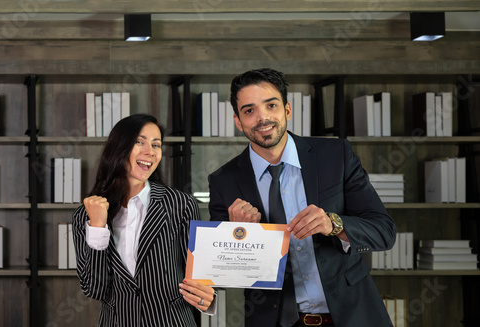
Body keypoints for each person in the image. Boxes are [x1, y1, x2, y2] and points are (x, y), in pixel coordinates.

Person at [208, 68, 396, 327]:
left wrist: (334, 225)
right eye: (249, 110)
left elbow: (384, 232)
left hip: (353, 316)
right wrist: (240, 236)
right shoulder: (223, 181)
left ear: (287, 110)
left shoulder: (336, 156)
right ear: (238, 121)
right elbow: (224, 277)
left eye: (271, 105)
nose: (263, 118)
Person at [72, 114, 215, 326]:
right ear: (119, 147)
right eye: (139, 142)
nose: (150, 152)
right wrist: (98, 228)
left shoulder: (180, 205)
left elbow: (201, 278)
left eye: (156, 145)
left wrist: (208, 299)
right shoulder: (86, 215)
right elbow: (95, 289)